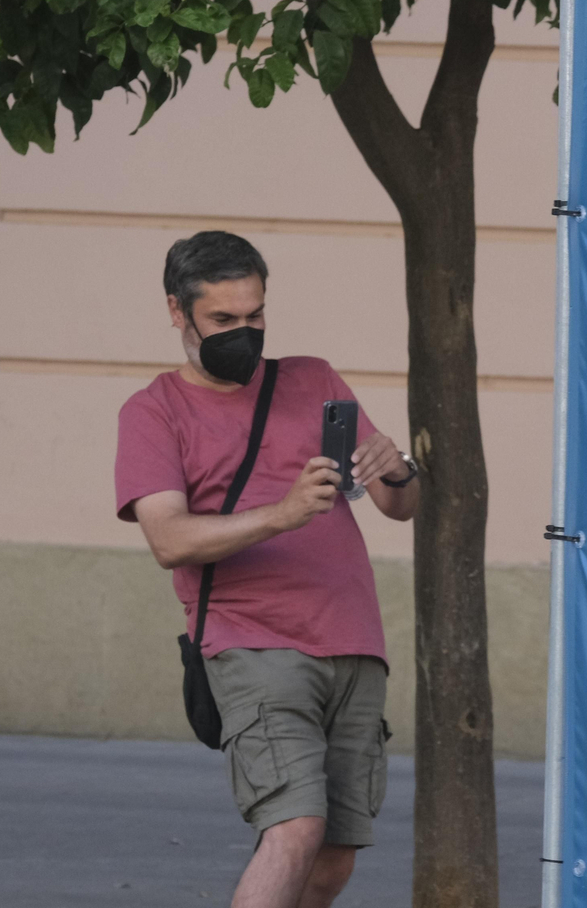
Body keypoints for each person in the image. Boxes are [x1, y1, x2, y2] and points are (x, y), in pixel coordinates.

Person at [114, 231, 421, 908]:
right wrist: (281, 514)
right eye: (224, 320)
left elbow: (401, 505)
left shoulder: (311, 378)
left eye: (255, 316)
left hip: (353, 638)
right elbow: (168, 538)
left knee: (336, 849)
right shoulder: (154, 410)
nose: (244, 333)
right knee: (294, 824)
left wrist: (395, 468)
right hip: (251, 640)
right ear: (177, 310)